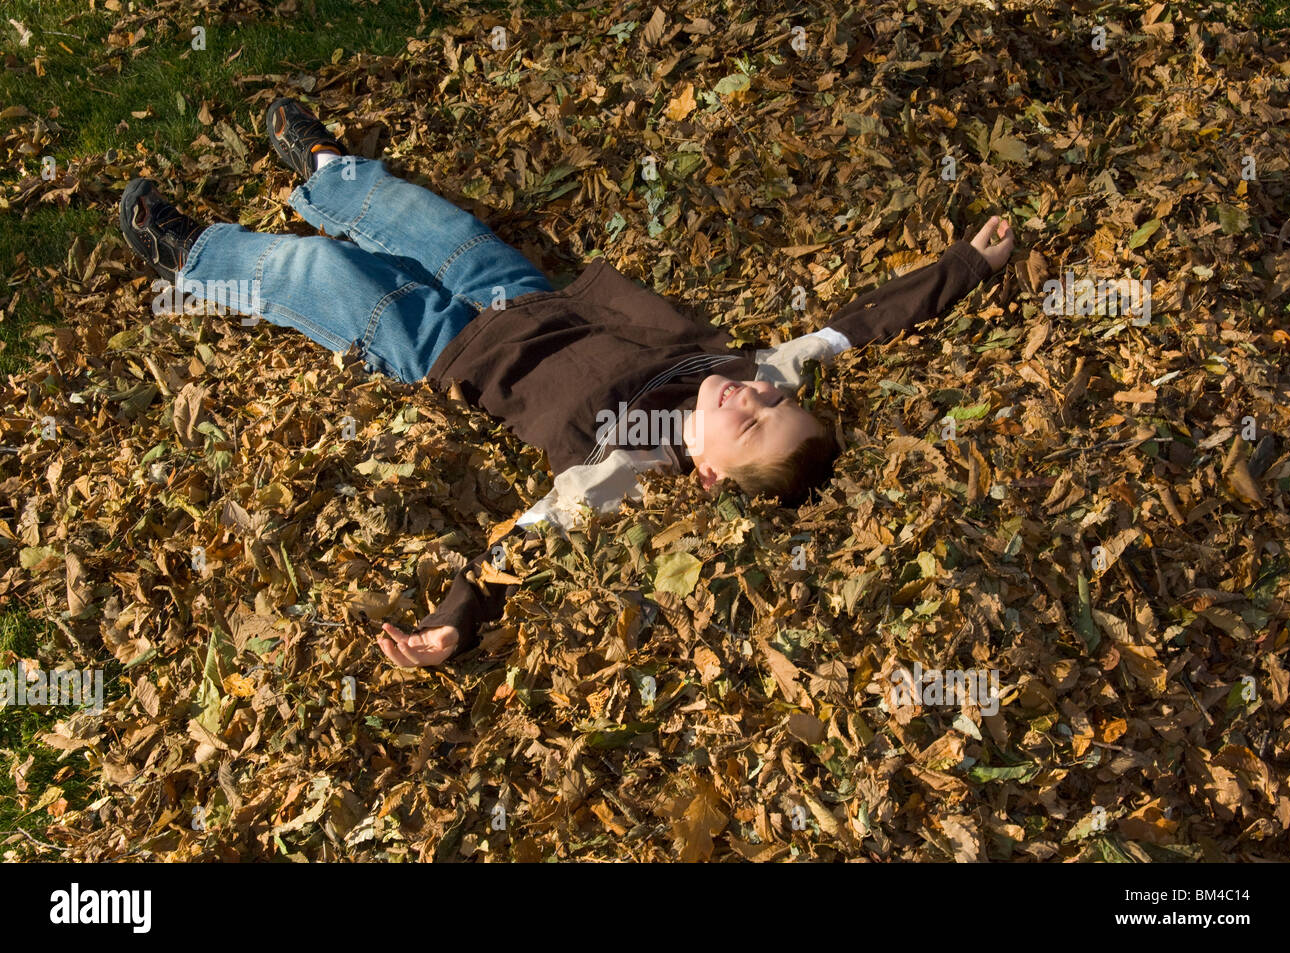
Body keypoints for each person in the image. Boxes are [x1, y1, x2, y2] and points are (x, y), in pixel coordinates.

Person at [119, 98, 1015, 670]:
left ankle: (197, 253)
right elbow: (853, 326)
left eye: (748, 424)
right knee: (417, 216)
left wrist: (453, 622)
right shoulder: (745, 372)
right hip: (521, 293)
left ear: (705, 475)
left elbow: (532, 540)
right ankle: (325, 172)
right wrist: (964, 266)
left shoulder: (628, 469)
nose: (751, 398)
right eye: (772, 400)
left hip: (450, 348)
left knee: (320, 276)